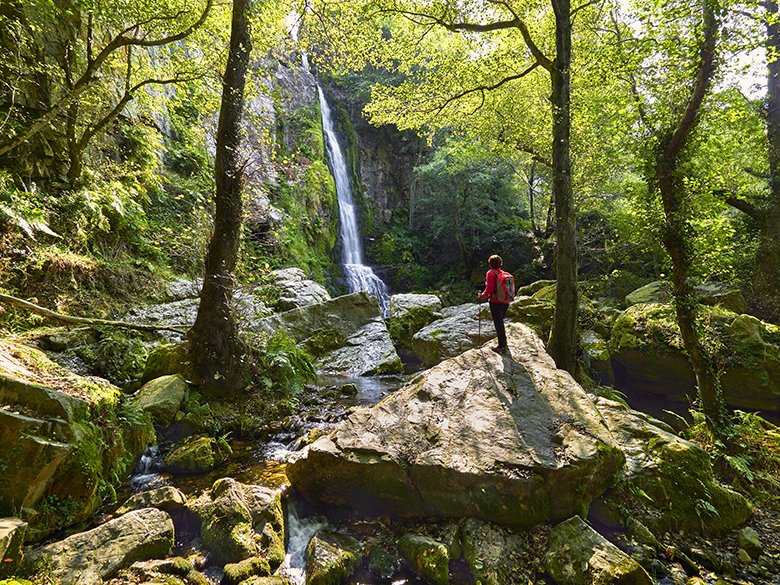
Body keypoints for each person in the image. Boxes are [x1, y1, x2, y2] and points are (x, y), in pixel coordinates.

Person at [477, 254, 510, 354]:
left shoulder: (490, 274)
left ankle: (502, 346)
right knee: (500, 322)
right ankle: (504, 343)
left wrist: (481, 296)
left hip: (496, 302)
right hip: (506, 300)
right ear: (500, 263)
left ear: (490, 264)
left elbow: (489, 289)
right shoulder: (505, 274)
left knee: (498, 323)